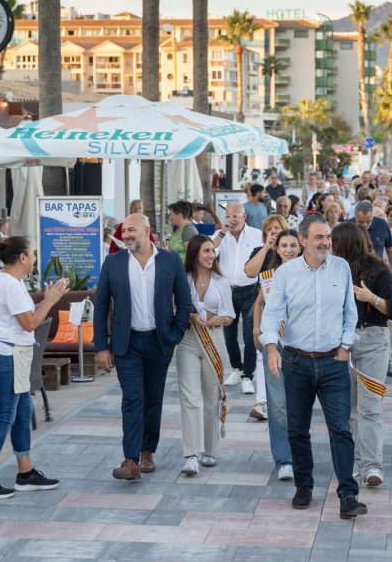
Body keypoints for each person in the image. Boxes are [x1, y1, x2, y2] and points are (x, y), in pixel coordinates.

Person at [260, 214, 368, 519]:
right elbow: (272, 314)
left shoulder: (341, 267)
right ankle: (304, 486)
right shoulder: (286, 273)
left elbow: (350, 312)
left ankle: (348, 494)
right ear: (304, 240)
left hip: (333, 361)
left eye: (328, 237)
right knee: (297, 429)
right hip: (296, 360)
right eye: (319, 237)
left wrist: (346, 346)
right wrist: (271, 347)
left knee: (341, 430)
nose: (325, 243)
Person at [94, 213, 193, 480]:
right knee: (132, 398)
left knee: (153, 400)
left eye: (131, 230)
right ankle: (130, 459)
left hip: (160, 342)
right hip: (128, 344)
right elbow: (101, 305)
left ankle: (148, 449)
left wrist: (173, 334)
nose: (125, 235)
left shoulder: (169, 260)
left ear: (147, 230)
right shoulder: (113, 263)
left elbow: (184, 301)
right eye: (124, 231)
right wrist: (101, 346)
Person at [0, 237, 66, 498]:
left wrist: (45, 302)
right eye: (33, 254)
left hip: (13, 355)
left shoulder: (9, 281)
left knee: (23, 412)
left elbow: (24, 317)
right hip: (6, 357)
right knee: (5, 418)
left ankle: (25, 472)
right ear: (22, 257)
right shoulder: (9, 284)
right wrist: (50, 300)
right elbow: (30, 323)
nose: (35, 258)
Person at [331, 223, 392, 487]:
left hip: (372, 339)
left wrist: (371, 298)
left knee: (370, 405)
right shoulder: (332, 269)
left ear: (346, 243)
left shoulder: (379, 269)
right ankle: (357, 462)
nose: (329, 246)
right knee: (349, 408)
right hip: (341, 343)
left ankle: (373, 465)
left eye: (334, 241)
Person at [177, 235, 235, 476]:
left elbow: (231, 315)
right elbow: (175, 307)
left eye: (213, 251)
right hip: (188, 340)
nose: (211, 255)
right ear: (195, 255)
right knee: (190, 397)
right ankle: (191, 454)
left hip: (214, 338)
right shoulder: (183, 279)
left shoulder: (222, 281)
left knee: (212, 397)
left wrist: (222, 319)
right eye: (206, 251)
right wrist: (190, 316)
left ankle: (210, 450)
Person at [251, 229, 302, 481]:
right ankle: (284, 459)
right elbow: (259, 303)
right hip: (277, 346)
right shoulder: (270, 276)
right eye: (285, 245)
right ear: (277, 249)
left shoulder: (308, 274)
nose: (289, 250)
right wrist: (255, 330)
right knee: (278, 405)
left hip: (303, 347)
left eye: (294, 245)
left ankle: (300, 453)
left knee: (298, 406)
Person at [212, 202, 264, 393]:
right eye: (228, 216)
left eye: (236, 216)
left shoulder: (257, 235)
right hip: (227, 291)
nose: (232, 220)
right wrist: (222, 232)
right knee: (229, 335)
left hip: (251, 290)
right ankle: (236, 367)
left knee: (250, 335)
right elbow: (210, 249)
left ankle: (248, 375)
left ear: (244, 216)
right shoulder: (221, 235)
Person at [242, 214, 290, 419]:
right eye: (270, 229)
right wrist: (266, 248)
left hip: (290, 317)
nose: (274, 232)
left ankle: (283, 400)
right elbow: (250, 272)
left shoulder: (292, 252)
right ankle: (262, 402)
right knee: (263, 356)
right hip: (264, 311)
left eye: (277, 228)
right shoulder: (259, 252)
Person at [352, 200, 392, 277]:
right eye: (361, 222)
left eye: (368, 221)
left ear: (373, 215)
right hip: (354, 274)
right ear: (355, 216)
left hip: (377, 274)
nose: (365, 225)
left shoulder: (382, 225)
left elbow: (391, 251)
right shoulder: (347, 227)